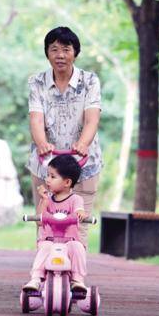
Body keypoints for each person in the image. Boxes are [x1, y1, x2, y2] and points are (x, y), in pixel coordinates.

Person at [27, 26, 102, 241]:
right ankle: (41, 272)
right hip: (46, 164)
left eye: (66, 49)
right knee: (45, 222)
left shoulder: (90, 81)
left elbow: (92, 118)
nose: (60, 55)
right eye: (54, 49)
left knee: (79, 225)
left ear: (75, 53)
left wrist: (83, 143)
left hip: (84, 164)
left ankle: (77, 274)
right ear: (47, 53)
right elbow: (36, 118)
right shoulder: (37, 82)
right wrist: (42, 143)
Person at [23, 155, 89, 292]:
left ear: (67, 182)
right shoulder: (48, 199)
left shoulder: (75, 199)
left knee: (78, 247)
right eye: (47, 175)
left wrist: (81, 214)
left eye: (52, 177)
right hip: (50, 239)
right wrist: (44, 199)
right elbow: (40, 220)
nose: (47, 179)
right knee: (45, 248)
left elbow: (79, 210)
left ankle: (77, 280)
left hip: (69, 240)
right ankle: (35, 278)